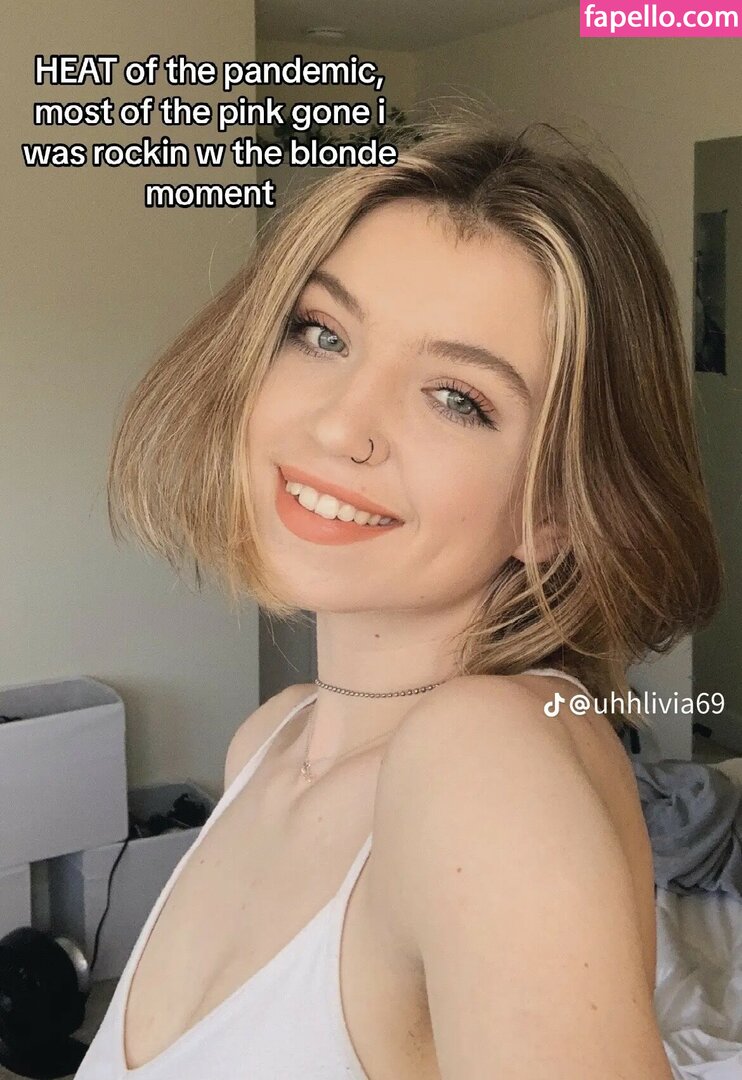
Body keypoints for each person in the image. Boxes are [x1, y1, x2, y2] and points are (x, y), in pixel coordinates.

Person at [83, 114, 721, 1078]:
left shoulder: (485, 757)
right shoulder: (272, 739)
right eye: (321, 333)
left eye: (458, 397)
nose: (342, 424)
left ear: (557, 509)